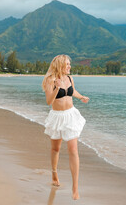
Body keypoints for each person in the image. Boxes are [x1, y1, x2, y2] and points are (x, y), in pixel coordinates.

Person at [42, 54, 90, 200]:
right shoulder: (50, 80)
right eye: (67, 64)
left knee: (73, 150)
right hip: (57, 117)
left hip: (70, 116)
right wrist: (56, 88)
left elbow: (72, 91)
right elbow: (49, 101)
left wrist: (81, 97)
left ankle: (75, 188)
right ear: (60, 65)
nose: (70, 67)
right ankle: (54, 173)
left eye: (69, 64)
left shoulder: (69, 78)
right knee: (56, 148)